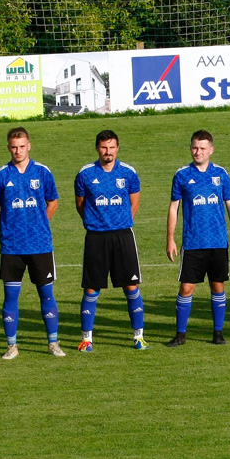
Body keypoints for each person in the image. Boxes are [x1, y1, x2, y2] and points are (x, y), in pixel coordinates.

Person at [0, 127, 62, 360]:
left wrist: (38, 223)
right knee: (10, 297)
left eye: (21, 146)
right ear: (9, 147)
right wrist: (10, 226)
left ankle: (53, 343)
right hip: (12, 247)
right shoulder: (0, 175)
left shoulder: (42, 172)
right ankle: (12, 346)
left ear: (29, 146)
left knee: (46, 294)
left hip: (40, 245)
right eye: (13, 147)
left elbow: (53, 202)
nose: (18, 151)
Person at [166, 130, 230, 347]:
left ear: (211, 150)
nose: (197, 152)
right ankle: (180, 334)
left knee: (217, 286)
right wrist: (170, 238)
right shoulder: (182, 175)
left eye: (202, 148)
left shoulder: (221, 174)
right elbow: (174, 208)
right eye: (194, 147)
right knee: (186, 288)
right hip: (193, 242)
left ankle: (217, 332)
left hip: (218, 242)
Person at [74, 129, 147, 351]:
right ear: (97, 148)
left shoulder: (128, 173)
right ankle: (87, 339)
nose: (108, 152)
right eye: (104, 147)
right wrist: (95, 222)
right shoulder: (85, 174)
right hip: (96, 237)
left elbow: (134, 203)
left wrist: (121, 222)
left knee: (131, 286)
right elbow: (80, 205)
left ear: (117, 148)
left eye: (112, 147)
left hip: (123, 236)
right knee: (91, 289)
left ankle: (139, 336)